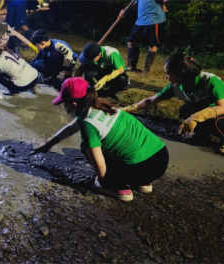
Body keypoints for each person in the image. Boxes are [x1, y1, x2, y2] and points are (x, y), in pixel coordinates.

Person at [34, 77, 169, 202]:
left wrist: (103, 180)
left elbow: (99, 166)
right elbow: (72, 127)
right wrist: (50, 143)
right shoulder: (105, 106)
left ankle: (119, 188)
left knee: (86, 147)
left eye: (64, 103)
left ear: (73, 105)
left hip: (141, 169)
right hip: (161, 157)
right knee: (120, 146)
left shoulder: (88, 125)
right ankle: (144, 183)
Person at [122, 53, 224, 154]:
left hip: (219, 112)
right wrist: (128, 109)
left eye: (169, 74)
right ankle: (202, 134)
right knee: (185, 110)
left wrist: (197, 116)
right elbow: (151, 100)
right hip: (203, 109)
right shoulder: (176, 86)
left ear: (181, 74)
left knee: (215, 120)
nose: (166, 77)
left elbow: (222, 107)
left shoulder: (210, 81)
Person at [118, 0, 169, 75]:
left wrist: (162, 3)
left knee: (152, 44)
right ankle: (131, 66)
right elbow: (134, 3)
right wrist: (124, 10)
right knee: (131, 41)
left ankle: (146, 70)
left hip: (153, 19)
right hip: (140, 20)